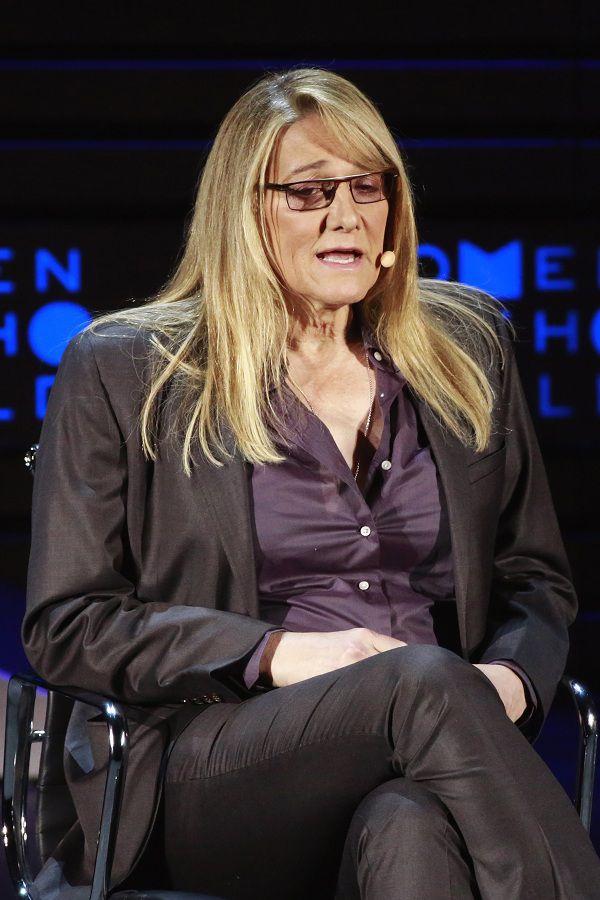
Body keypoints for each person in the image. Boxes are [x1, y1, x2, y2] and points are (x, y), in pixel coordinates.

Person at [23, 68, 600, 900]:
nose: (347, 215)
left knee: (408, 825)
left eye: (369, 187)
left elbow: (536, 578)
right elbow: (68, 625)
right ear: (244, 210)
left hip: (439, 750)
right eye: (309, 192)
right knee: (423, 679)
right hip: (208, 762)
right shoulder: (125, 368)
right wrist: (278, 652)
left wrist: (509, 680)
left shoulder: (466, 346)